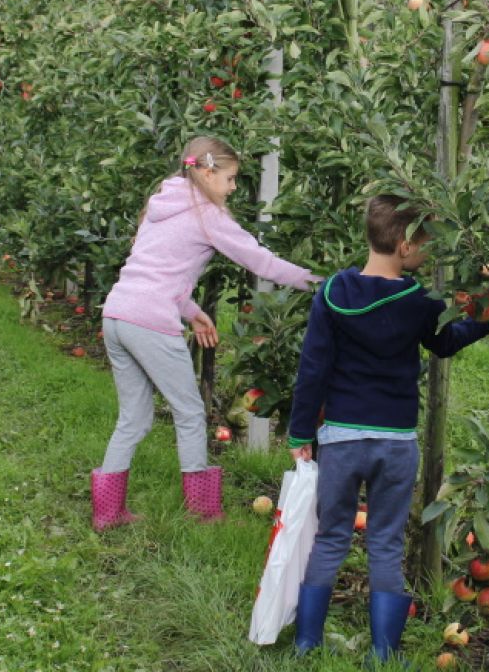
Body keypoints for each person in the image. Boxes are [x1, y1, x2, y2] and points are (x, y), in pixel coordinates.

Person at [286, 195, 489, 663]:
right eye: (426, 244)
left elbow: (312, 369)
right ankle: (384, 652)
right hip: (395, 441)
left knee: (332, 536)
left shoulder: (333, 293)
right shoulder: (418, 302)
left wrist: (300, 435)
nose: (431, 253)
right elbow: (444, 343)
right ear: (403, 245)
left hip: (340, 438)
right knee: (385, 542)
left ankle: (306, 642)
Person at [91, 136, 320, 529]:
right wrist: (319, 282)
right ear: (208, 172)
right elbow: (261, 262)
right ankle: (202, 511)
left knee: (133, 418)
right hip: (149, 321)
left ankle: (107, 514)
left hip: (117, 315)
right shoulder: (207, 216)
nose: (233, 187)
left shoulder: (161, 203)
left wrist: (193, 312)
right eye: (230, 178)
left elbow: (156, 271)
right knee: (191, 412)